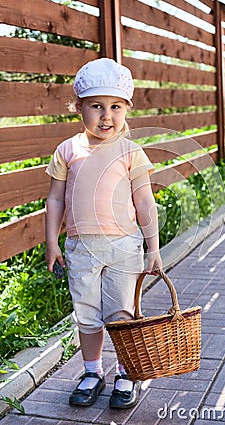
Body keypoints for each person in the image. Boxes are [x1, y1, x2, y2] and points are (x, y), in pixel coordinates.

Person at [45, 58, 163, 409]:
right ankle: (92, 371)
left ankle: (126, 371)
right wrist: (52, 242)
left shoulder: (130, 152)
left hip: (124, 246)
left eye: (115, 107)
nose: (106, 116)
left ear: (127, 108)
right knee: (86, 312)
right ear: (78, 107)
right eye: (96, 106)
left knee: (121, 313)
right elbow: (54, 199)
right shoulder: (68, 151)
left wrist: (153, 248)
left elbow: (145, 202)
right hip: (81, 247)